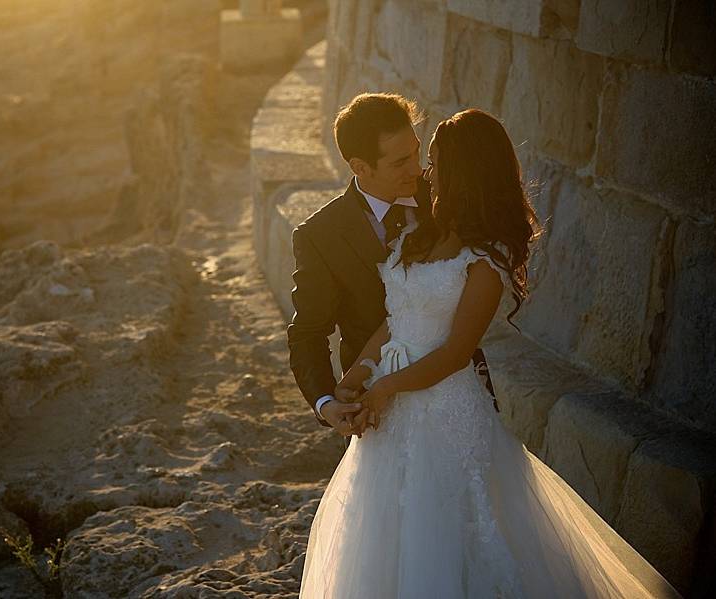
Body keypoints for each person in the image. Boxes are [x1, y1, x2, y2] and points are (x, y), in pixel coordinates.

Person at [298, 109, 677, 598]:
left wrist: (384, 387)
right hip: (383, 414)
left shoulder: (484, 254)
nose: (421, 172)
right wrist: (351, 381)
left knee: (454, 532)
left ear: (462, 172)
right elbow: (388, 320)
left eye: (429, 159)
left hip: (443, 406)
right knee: (381, 532)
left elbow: (456, 351)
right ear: (360, 166)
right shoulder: (416, 230)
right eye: (410, 160)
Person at [287, 93, 496, 445]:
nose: (417, 169)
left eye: (416, 151)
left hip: (457, 401)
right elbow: (308, 332)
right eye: (401, 161)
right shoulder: (319, 236)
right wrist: (326, 403)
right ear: (360, 167)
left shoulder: (446, 196)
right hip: (373, 411)